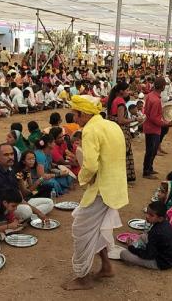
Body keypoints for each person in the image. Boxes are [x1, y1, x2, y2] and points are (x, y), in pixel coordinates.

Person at [62, 95, 128, 291]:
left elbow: (90, 165)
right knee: (98, 228)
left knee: (80, 229)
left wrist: (83, 178)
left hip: (102, 189)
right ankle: (106, 266)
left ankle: (83, 277)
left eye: (75, 114)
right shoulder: (111, 125)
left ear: (83, 114)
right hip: (114, 187)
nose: (74, 119)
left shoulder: (90, 129)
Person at [0, 143, 53, 221]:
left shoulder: (10, 170)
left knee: (49, 202)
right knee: (27, 211)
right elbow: (14, 199)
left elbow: (20, 194)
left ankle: (29, 217)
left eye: (12, 154)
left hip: (17, 202)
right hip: (2, 208)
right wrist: (38, 212)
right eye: (6, 155)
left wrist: (34, 209)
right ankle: (28, 217)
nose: (10, 157)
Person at [120, 201, 172, 270]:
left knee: (124, 254)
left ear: (160, 218)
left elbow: (149, 255)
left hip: (161, 263)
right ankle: (138, 247)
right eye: (147, 213)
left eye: (151, 215)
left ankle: (135, 248)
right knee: (143, 236)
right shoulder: (165, 223)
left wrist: (131, 248)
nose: (147, 216)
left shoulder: (156, 232)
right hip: (167, 258)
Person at [107, 81, 140, 182]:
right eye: (127, 90)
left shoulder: (114, 100)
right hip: (121, 131)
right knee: (123, 154)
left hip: (115, 130)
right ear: (121, 91)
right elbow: (121, 120)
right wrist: (135, 119)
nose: (128, 92)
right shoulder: (120, 102)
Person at [142, 77, 172, 179]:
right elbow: (154, 118)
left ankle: (149, 168)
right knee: (151, 150)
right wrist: (165, 124)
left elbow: (149, 113)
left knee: (151, 150)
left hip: (149, 126)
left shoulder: (151, 96)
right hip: (153, 128)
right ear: (163, 86)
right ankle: (146, 171)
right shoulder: (155, 100)